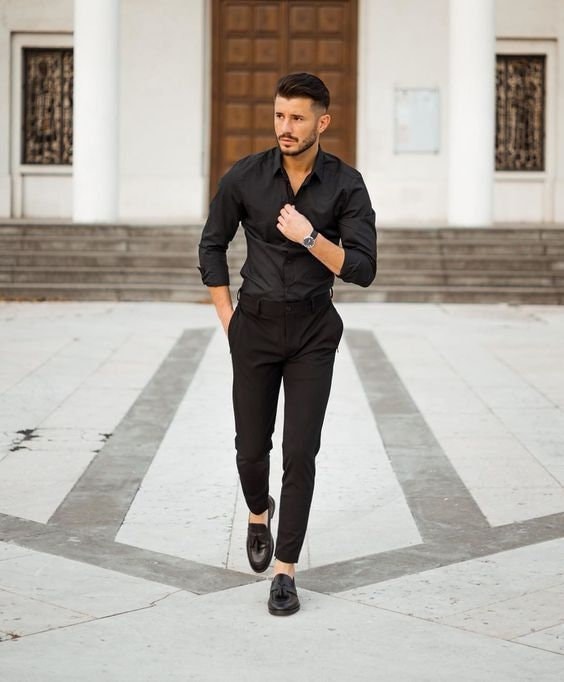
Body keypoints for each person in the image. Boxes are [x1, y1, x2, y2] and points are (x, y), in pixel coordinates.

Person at [199, 72, 376, 616]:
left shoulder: (346, 184)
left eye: (297, 117)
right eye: (279, 116)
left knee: (301, 451)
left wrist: (309, 236)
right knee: (251, 449)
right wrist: (228, 318)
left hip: (312, 332)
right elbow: (212, 244)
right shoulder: (246, 177)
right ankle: (259, 511)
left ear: (322, 122)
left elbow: (363, 270)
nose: (285, 127)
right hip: (252, 325)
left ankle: (286, 571)